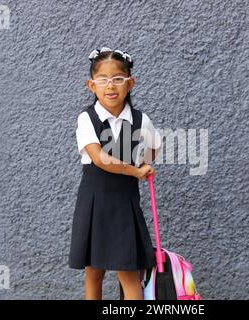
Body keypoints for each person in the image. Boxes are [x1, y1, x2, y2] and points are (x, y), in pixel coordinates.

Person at [68, 46, 162, 300]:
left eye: (118, 79)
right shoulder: (87, 119)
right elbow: (99, 158)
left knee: (129, 272)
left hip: (124, 204)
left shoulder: (141, 121)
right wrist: (136, 170)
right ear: (91, 85)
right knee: (94, 272)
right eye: (103, 79)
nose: (111, 86)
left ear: (130, 83)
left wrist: (144, 163)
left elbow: (155, 146)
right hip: (94, 203)